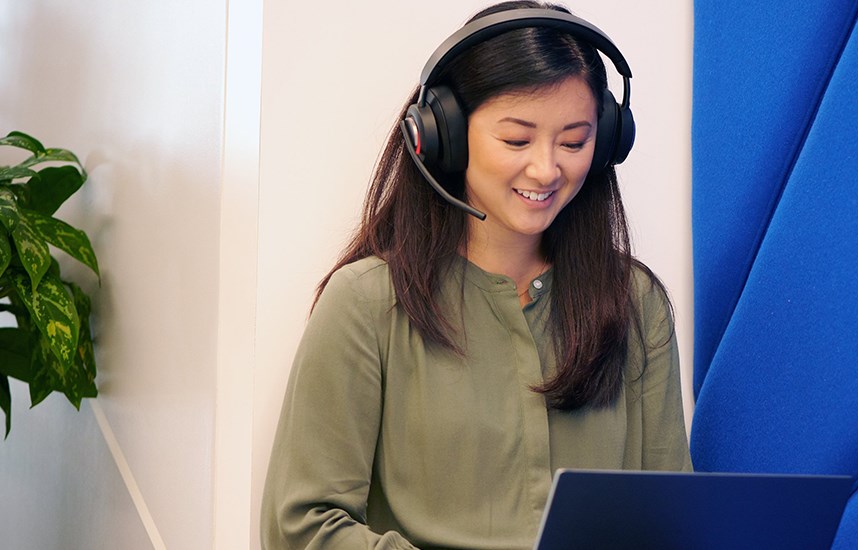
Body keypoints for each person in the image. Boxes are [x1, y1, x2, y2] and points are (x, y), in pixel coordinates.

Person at [260, 2, 692, 549]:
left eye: (574, 141)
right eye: (517, 140)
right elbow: (300, 526)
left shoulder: (636, 303)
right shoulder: (366, 303)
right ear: (446, 134)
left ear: (605, 141)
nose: (546, 168)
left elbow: (672, 521)